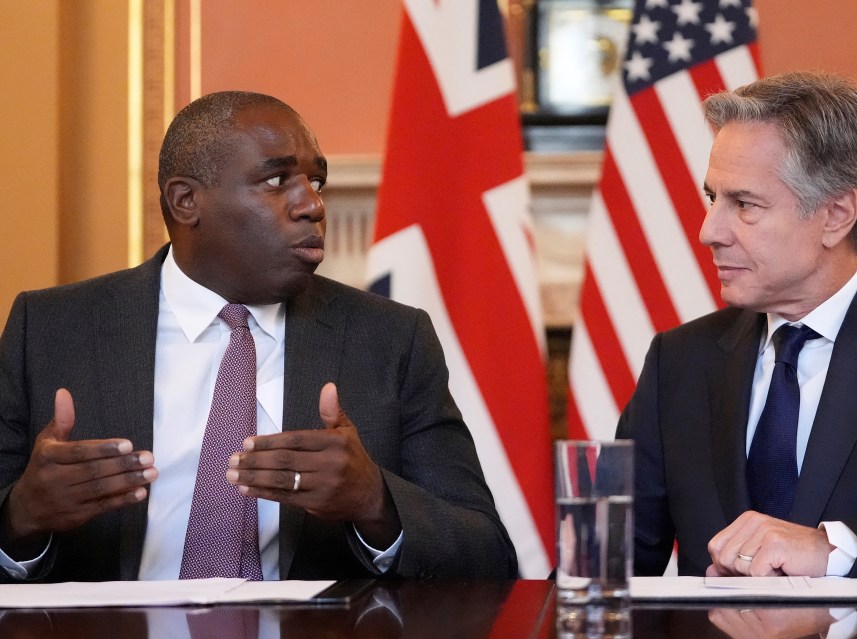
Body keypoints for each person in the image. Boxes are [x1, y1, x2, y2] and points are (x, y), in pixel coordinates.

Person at [0, 91, 517, 581]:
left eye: (317, 182)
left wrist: (375, 503)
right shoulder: (48, 329)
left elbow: (488, 557)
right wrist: (21, 518)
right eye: (276, 181)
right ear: (186, 202)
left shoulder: (390, 339)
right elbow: (13, 526)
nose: (312, 205)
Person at [617, 71, 857, 578]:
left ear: (836, 214)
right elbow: (609, 566)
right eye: (714, 199)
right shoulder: (680, 361)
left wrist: (835, 548)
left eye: (745, 204)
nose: (709, 230)